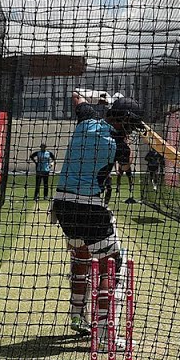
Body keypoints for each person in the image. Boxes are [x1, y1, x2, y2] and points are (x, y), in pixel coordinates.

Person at [50, 90, 146, 345]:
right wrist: (124, 138)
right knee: (113, 264)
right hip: (89, 206)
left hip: (62, 204)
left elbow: (76, 97)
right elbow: (125, 167)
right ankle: (105, 333)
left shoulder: (87, 120)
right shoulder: (120, 145)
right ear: (125, 122)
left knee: (81, 254)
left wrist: (102, 101)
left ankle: (76, 315)